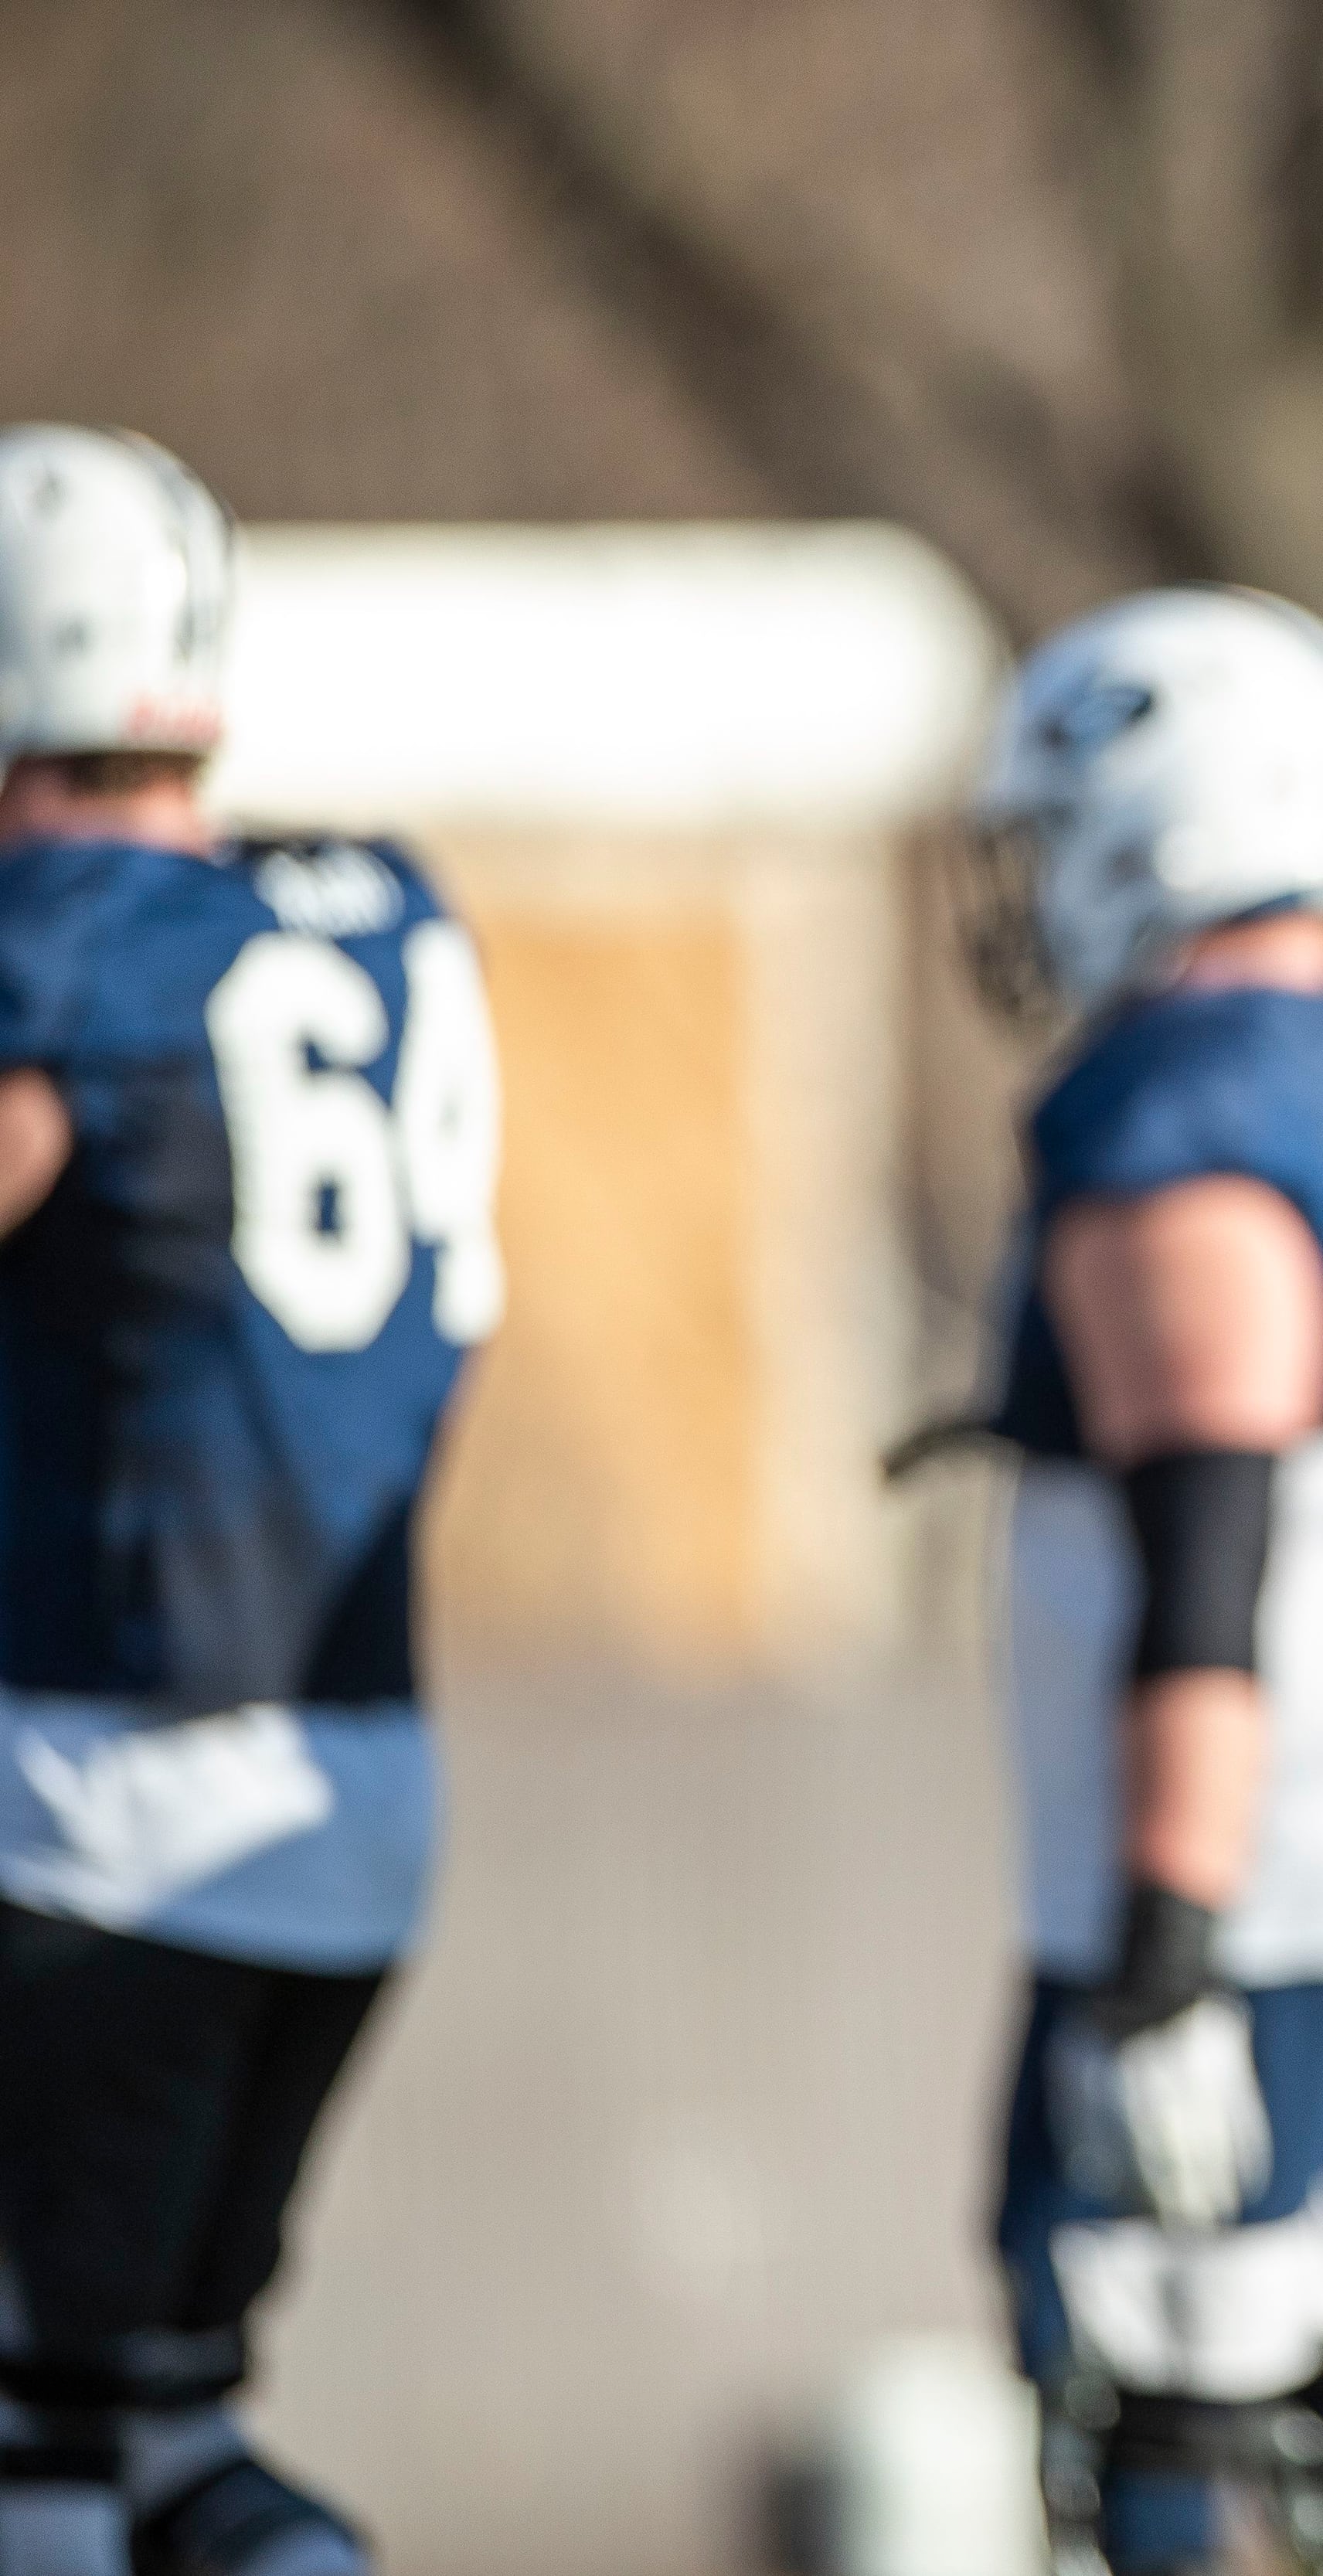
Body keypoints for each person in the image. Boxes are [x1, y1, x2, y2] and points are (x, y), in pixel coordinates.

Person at [957, 587, 1323, 2576]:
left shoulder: (1183, 1101)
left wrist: (1161, 1939)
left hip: (1250, 1887)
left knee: (1154, 2425)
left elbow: (1206, 1567)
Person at [0, 426, 504, 2576]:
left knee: (40, 2426)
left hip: (98, 1784)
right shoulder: (384, 908)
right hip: (353, 1791)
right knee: (155, 2409)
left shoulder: (65, 943)